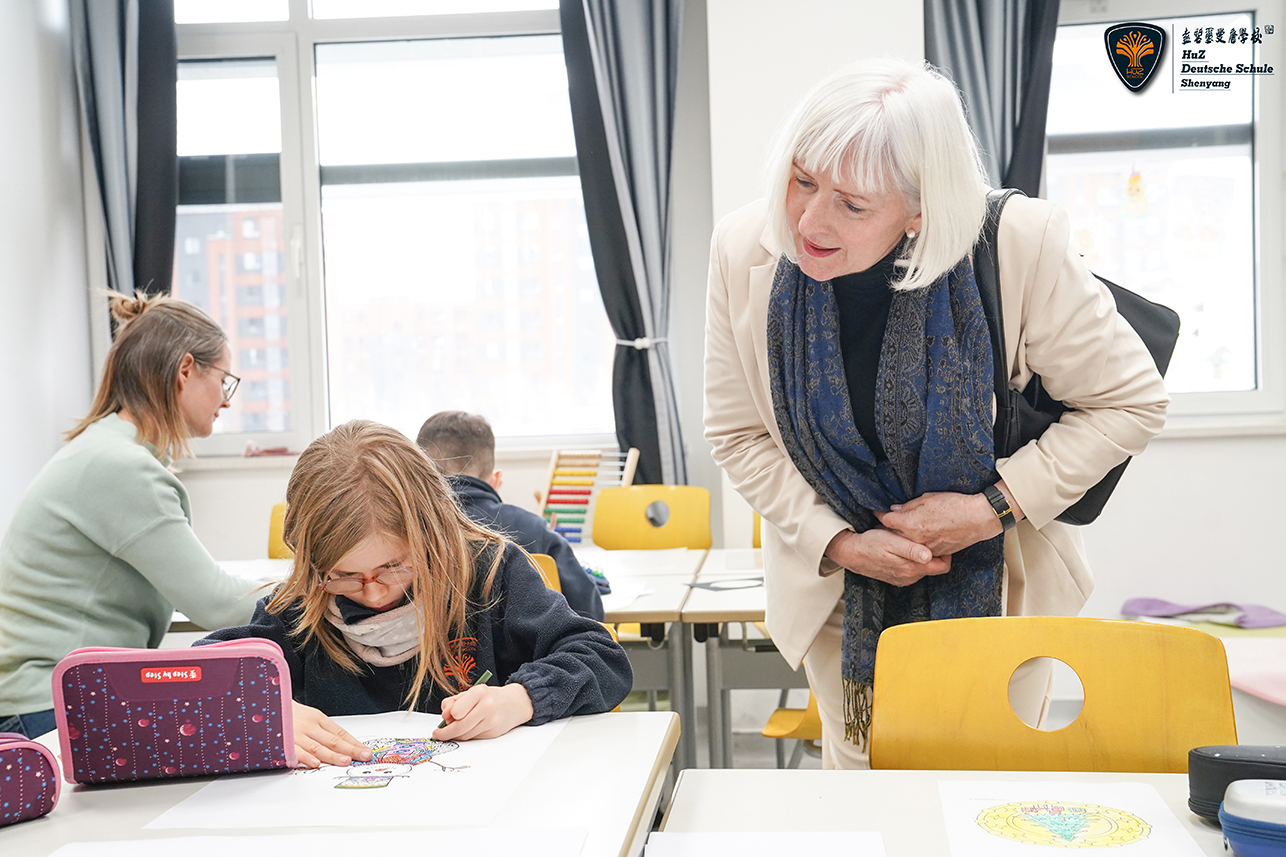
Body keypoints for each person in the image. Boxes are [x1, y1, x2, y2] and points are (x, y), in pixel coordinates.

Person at [703, 58, 1169, 769]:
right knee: (865, 796)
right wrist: (839, 541)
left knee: (990, 798)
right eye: (802, 181)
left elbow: (1130, 400)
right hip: (841, 597)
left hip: (997, 587)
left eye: (853, 205)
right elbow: (739, 435)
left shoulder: (1018, 244)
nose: (809, 221)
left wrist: (991, 508)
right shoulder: (743, 249)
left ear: (920, 210)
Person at [198, 420, 632, 768]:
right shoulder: (300, 607)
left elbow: (601, 657)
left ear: (431, 536)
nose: (372, 592)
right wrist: (261, 708)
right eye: (344, 575)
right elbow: (193, 676)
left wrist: (520, 699)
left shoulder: (487, 575)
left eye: (393, 567)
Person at [0, 292, 260, 738]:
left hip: (42, 696)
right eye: (225, 380)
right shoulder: (123, 468)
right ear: (185, 370)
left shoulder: (107, 450)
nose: (227, 400)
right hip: (46, 706)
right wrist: (316, 588)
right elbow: (217, 604)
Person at [416, 410, 606, 620]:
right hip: (532, 642)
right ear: (496, 480)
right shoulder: (533, 530)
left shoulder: (407, 530)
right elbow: (589, 612)